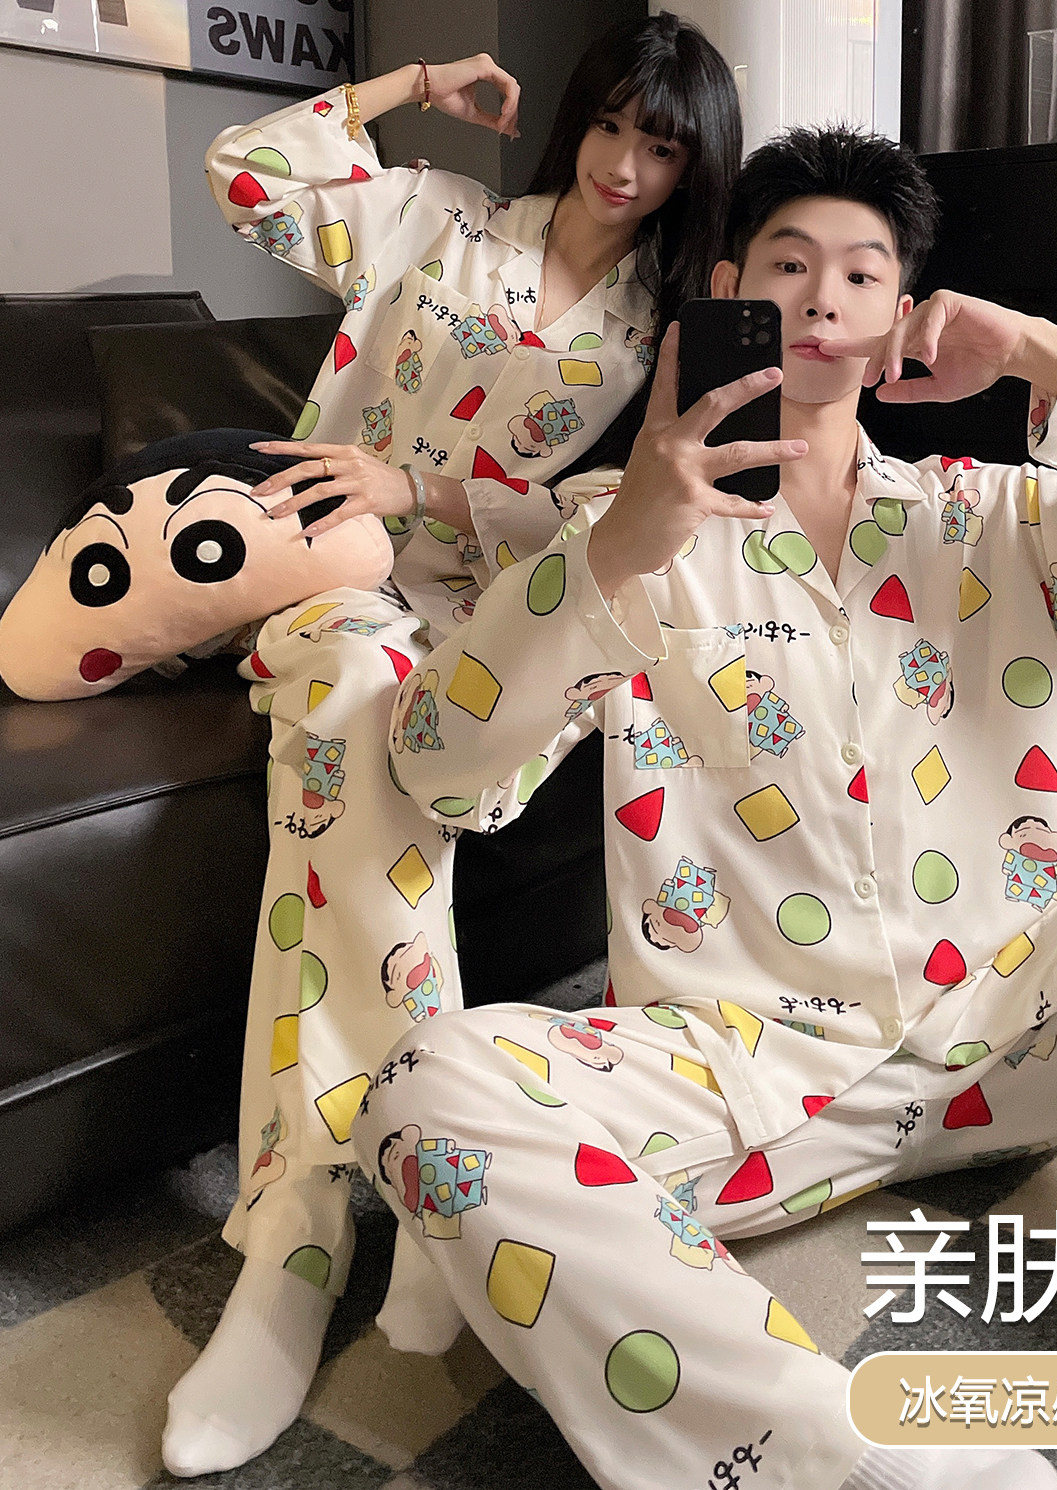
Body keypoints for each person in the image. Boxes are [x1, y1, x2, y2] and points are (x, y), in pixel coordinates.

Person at [358, 127, 1057, 1490]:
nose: (823, 297)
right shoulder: (621, 532)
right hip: (746, 1077)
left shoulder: (996, 521)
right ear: (725, 290)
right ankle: (869, 1464)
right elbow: (443, 768)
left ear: (899, 320)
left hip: (1019, 1021)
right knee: (429, 1093)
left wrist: (1036, 354)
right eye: (788, 265)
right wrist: (619, 545)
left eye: (863, 274)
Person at [161, 15, 742, 1478]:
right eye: (609, 126)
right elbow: (246, 167)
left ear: (694, 167)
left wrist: (420, 484)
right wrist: (413, 86)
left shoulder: (662, 325)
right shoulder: (441, 215)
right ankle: (328, 1224)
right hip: (331, 575)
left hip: (487, 606)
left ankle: (343, 1211)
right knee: (362, 689)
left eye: (661, 147)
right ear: (573, 121)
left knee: (383, 750)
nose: (624, 165)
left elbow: (618, 507)